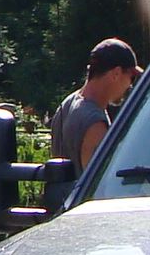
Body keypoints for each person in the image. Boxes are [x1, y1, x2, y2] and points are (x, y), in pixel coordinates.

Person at [50, 38, 140, 175]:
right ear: (116, 73)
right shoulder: (95, 123)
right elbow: (101, 182)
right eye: (131, 78)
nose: (130, 86)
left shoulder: (66, 104)